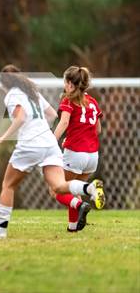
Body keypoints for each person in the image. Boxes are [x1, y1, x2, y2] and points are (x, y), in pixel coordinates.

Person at [0, 65, 105, 239]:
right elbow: (52, 114)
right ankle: (89, 189)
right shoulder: (33, 92)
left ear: (4, 84)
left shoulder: (11, 94)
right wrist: (42, 130)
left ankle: (1, 230)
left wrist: (3, 137)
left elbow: (21, 117)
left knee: (8, 185)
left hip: (30, 144)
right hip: (50, 143)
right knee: (59, 186)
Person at [52, 66, 104, 232]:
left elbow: (65, 122)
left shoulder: (68, 100)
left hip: (75, 153)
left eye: (65, 82)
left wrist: (51, 141)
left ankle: (82, 203)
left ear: (70, 84)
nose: (64, 86)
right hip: (92, 156)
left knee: (57, 190)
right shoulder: (93, 102)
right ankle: (73, 227)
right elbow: (98, 130)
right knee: (75, 189)